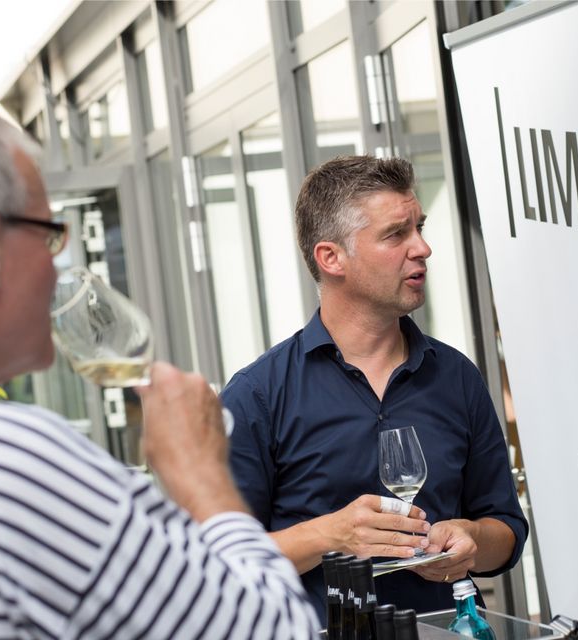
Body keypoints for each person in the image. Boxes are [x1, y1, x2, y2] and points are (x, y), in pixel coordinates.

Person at [0, 100, 318, 638]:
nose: (56, 269)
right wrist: (200, 475)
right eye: (48, 235)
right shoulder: (3, 460)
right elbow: (273, 630)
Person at [222, 155, 527, 622]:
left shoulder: (457, 376)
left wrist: (471, 540)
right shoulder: (256, 396)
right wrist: (330, 536)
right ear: (331, 258)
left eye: (419, 228)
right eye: (396, 234)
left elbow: (505, 531)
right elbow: (222, 564)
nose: (422, 248)